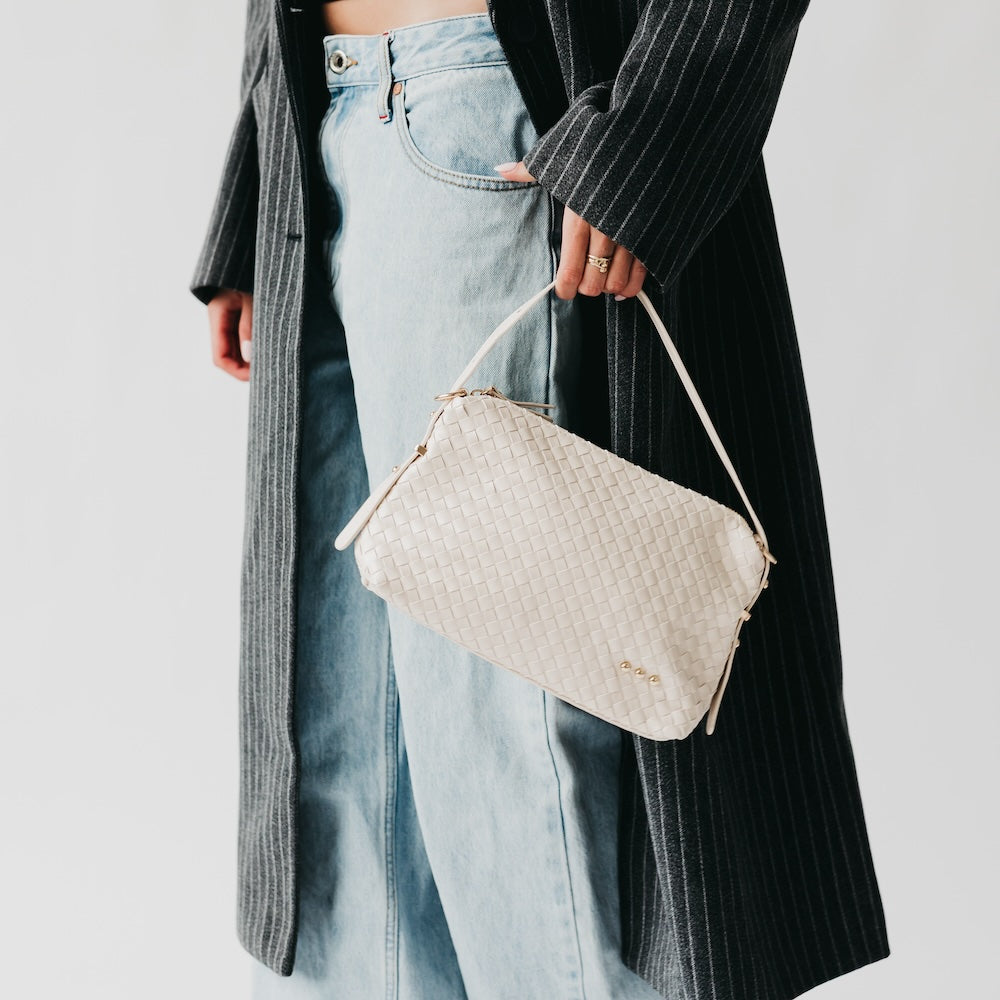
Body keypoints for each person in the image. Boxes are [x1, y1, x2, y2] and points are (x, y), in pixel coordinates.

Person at [193, 1, 891, 997]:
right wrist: (256, 183)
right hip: (318, 122)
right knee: (344, 760)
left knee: (512, 757)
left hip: (486, 109)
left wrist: (649, 131)